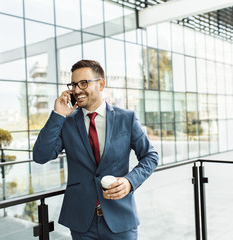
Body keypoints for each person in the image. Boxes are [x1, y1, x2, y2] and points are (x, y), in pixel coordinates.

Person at [33, 59, 159, 240]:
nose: (77, 90)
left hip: (120, 219)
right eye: (73, 84)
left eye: (83, 83)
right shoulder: (66, 122)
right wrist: (58, 115)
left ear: (101, 83)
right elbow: (40, 156)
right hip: (82, 222)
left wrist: (130, 181)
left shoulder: (127, 118)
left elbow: (150, 156)